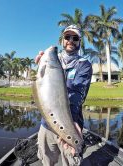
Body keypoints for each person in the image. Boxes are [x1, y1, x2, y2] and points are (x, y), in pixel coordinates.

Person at [35, 25, 92, 166]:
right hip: (46, 123)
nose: (70, 41)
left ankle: (78, 147)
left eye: (75, 38)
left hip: (70, 121)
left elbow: (78, 92)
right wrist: (40, 65)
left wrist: (70, 123)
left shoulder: (84, 65)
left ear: (79, 42)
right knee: (47, 159)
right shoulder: (53, 58)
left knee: (71, 159)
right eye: (67, 37)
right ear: (62, 40)